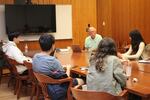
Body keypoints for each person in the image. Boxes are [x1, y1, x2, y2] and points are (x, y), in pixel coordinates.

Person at [32, 34, 84, 100]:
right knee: (82, 80)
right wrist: (68, 68)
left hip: (45, 86)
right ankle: (71, 95)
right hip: (57, 88)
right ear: (53, 46)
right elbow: (66, 77)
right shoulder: (53, 61)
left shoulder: (35, 57)